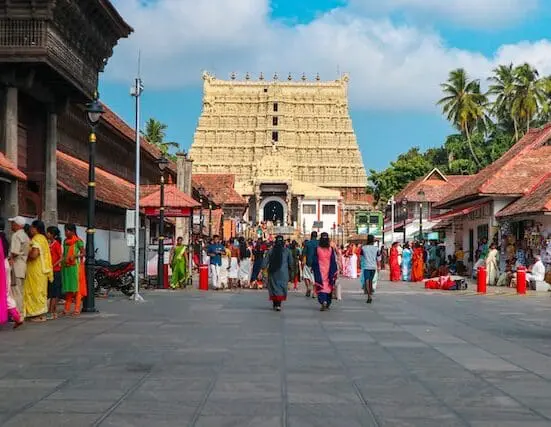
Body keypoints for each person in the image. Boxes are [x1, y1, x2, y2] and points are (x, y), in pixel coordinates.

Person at [23, 220, 53, 322]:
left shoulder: (37, 239)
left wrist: (25, 253)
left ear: (36, 228)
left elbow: (34, 254)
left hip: (35, 270)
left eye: (32, 227)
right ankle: (40, 314)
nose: (30, 230)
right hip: (42, 271)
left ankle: (36, 314)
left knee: (34, 291)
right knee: (40, 292)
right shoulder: (43, 238)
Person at [0, 219, 23, 329]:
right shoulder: (5, 238)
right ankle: (16, 316)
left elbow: (14, 252)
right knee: (6, 292)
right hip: (6, 265)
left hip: (3, 266)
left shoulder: (14, 236)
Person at [263, 235, 293, 311]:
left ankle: (275, 303)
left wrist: (263, 269)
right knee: (281, 288)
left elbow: (265, 262)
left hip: (273, 272)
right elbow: (291, 263)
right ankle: (278, 304)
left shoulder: (271, 251)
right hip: (283, 273)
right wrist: (291, 270)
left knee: (274, 287)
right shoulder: (287, 251)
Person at [61, 224, 86, 316]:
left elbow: (83, 253)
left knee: (77, 288)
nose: (65, 233)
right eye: (65, 231)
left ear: (72, 231)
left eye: (67, 231)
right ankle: (67, 308)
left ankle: (77, 308)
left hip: (75, 267)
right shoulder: (65, 241)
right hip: (66, 266)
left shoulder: (78, 241)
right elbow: (64, 254)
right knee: (68, 288)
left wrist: (75, 256)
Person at [8, 216, 30, 315]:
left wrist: (9, 259)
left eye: (12, 223)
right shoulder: (25, 236)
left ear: (17, 225)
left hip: (16, 266)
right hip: (23, 266)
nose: (11, 225)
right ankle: (21, 313)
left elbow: (14, 252)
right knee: (20, 291)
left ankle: (17, 314)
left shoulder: (16, 235)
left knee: (15, 291)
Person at [313, 232, 338, 311]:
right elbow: (333, 261)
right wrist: (334, 271)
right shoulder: (330, 249)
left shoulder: (317, 249)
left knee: (321, 286)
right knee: (328, 286)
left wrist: (314, 268)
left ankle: (323, 301)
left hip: (320, 270)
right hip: (329, 270)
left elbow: (314, 261)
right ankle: (327, 301)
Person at [46, 226, 63, 319]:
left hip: (55, 271)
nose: (47, 234)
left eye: (48, 233)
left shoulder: (57, 245)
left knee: (54, 292)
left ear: (52, 234)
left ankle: (51, 311)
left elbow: (61, 257)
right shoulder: (49, 244)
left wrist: (53, 265)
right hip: (50, 271)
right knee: (51, 291)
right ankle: (52, 311)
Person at [361, 234, 380, 304]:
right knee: (371, 280)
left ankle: (369, 295)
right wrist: (379, 267)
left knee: (366, 279)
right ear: (373, 240)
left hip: (366, 266)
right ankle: (370, 293)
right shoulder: (376, 248)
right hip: (373, 266)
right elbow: (378, 259)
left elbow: (361, 257)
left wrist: (359, 265)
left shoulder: (363, 248)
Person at [303, 231, 319, 298]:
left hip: (308, 262)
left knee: (306, 276)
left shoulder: (307, 243)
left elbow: (304, 253)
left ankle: (308, 288)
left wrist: (303, 261)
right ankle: (315, 293)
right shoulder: (319, 243)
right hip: (317, 263)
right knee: (315, 278)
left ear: (311, 236)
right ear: (316, 236)